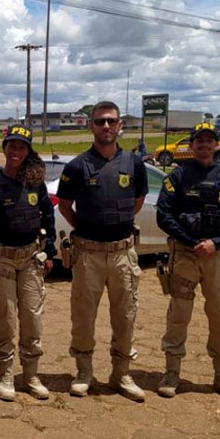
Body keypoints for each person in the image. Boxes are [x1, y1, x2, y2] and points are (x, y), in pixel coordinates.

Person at [56, 100, 148, 401]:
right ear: (90, 125)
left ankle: (121, 374)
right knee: (84, 317)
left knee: (125, 315)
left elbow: (137, 201)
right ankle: (84, 373)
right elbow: (65, 206)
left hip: (123, 254)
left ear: (119, 125)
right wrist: (85, 228)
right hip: (89, 255)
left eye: (111, 121)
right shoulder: (76, 166)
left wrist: (118, 225)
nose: (106, 126)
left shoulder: (134, 163)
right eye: (99, 121)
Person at [155, 122, 220, 401]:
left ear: (216, 144)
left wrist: (217, 243)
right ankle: (172, 372)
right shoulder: (177, 176)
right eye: (199, 140)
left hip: (216, 257)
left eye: (210, 140)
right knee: (179, 315)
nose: (205, 144)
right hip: (185, 254)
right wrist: (189, 240)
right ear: (192, 145)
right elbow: (164, 214)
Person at [0, 125, 55, 401]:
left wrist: (50, 251)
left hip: (30, 259)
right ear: (4, 149)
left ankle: (31, 375)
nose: (16, 151)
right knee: (7, 319)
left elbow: (48, 214)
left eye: (21, 147)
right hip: (2, 260)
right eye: (12, 146)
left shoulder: (35, 182)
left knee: (32, 318)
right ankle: (6, 374)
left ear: (28, 151)